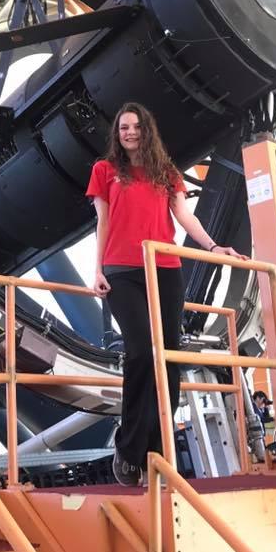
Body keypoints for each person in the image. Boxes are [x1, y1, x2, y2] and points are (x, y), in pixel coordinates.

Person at [87, 102, 247, 486]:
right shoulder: (104, 170)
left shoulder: (165, 172)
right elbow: (103, 220)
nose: (129, 132)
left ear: (147, 130)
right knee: (141, 350)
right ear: (117, 133)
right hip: (122, 271)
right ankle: (128, 449)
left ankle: (158, 450)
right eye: (123, 127)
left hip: (165, 269)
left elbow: (184, 217)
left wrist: (213, 247)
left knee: (169, 358)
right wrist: (96, 270)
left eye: (135, 126)